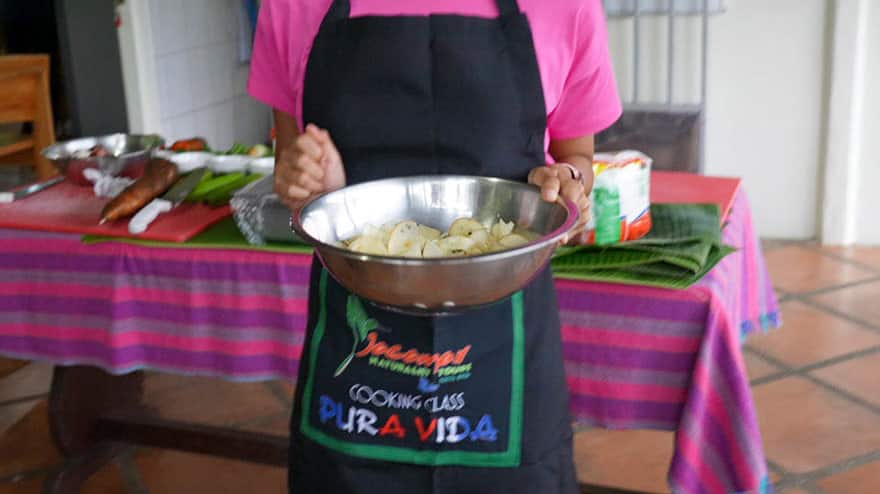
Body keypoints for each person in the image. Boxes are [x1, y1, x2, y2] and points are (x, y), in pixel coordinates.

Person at [248, 1, 621, 492]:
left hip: (503, 333)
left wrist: (566, 180)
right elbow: (292, 164)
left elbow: (578, 155)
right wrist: (309, 177)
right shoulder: (293, 5)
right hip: (357, 332)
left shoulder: (566, 6)